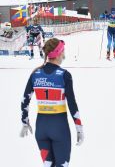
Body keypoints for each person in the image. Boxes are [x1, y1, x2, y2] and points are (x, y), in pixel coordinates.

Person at [20, 38, 84, 166]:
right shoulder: (64, 75)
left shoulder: (35, 74)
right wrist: (79, 127)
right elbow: (72, 103)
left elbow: (25, 100)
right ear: (59, 53)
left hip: (41, 129)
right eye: (63, 50)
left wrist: (25, 122)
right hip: (59, 128)